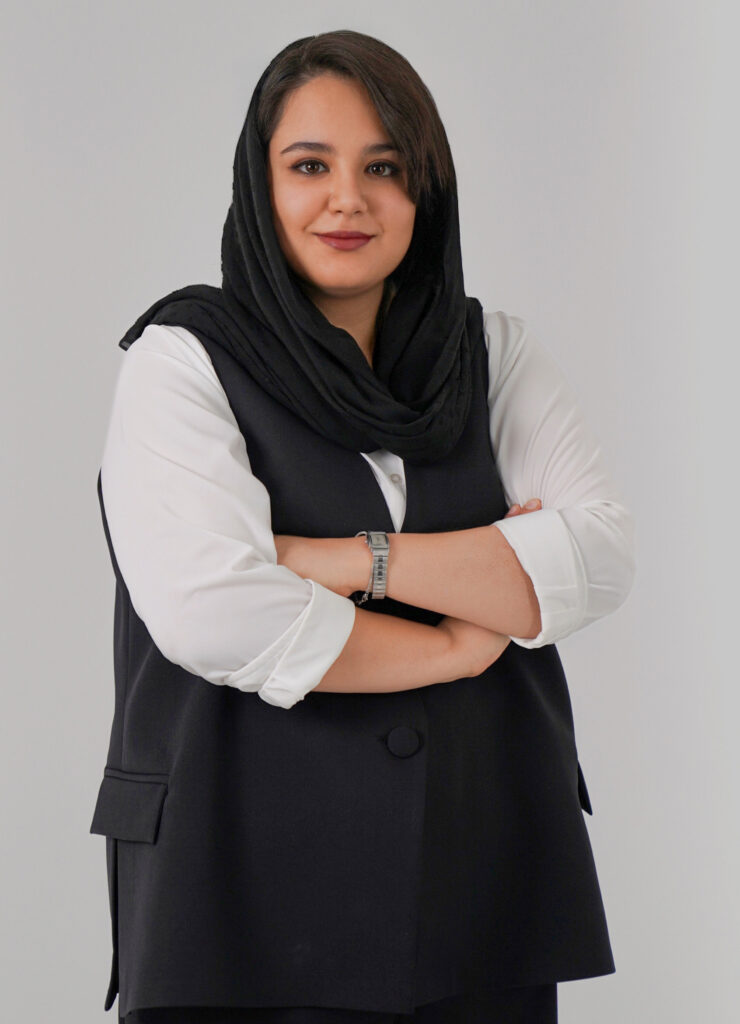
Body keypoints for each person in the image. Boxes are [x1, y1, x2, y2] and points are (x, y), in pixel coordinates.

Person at [89, 29, 635, 1024]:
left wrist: (345, 561)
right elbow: (217, 613)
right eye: (309, 166)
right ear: (260, 185)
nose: (348, 199)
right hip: (237, 897)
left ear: (426, 190)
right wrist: (458, 640)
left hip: (482, 879)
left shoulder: (491, 354)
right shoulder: (182, 360)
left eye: (384, 167)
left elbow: (596, 557)